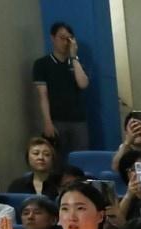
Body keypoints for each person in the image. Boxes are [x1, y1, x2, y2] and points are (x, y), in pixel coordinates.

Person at [32, 22, 90, 155]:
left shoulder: (76, 63)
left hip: (78, 120)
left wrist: (74, 56)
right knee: (55, 159)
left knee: (81, 159)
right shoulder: (42, 64)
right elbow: (43, 96)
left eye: (69, 38)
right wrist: (47, 121)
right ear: (52, 38)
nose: (65, 42)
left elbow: (83, 84)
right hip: (56, 120)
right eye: (62, 38)